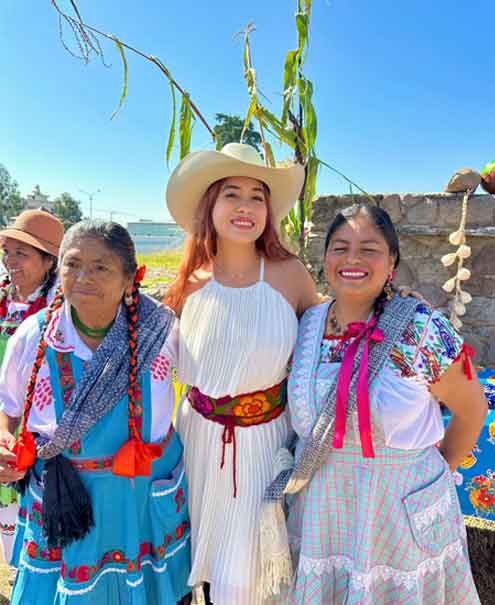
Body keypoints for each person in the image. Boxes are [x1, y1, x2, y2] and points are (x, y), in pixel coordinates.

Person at [284, 203, 487, 604]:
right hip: (324, 511)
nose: (352, 259)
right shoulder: (306, 324)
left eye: (369, 248)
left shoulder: (423, 328)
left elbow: (473, 409)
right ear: (324, 258)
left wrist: (432, 469)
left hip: (398, 513)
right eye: (339, 247)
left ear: (392, 260)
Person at [0, 220, 191, 604]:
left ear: (130, 278)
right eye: (73, 264)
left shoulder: (163, 332)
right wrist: (5, 439)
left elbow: (209, 390)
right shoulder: (35, 336)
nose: (84, 277)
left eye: (101, 267)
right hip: (65, 503)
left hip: (139, 502)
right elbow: (7, 407)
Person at [164, 143, 320, 605]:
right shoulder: (189, 282)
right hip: (195, 440)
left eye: (257, 196)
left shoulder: (291, 275)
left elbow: (328, 347)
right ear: (210, 205)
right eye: (232, 194)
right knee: (197, 561)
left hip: (266, 440)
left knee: (250, 573)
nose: (246, 207)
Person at [0, 209, 63, 563]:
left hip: (33, 424)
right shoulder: (4, 298)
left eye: (21, 253)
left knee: (24, 515)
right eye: (6, 251)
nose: (10, 261)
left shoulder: (61, 309)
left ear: (48, 261)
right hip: (3, 414)